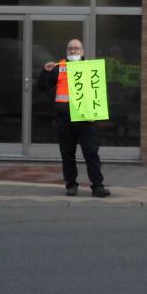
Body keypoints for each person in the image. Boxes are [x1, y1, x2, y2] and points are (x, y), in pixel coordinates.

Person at [38, 39, 110, 198]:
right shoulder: (58, 68)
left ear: (82, 51)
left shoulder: (90, 69)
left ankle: (97, 186)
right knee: (67, 153)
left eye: (76, 48)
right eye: (70, 48)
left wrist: (95, 113)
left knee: (91, 153)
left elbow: (98, 94)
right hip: (64, 119)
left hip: (86, 119)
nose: (72, 51)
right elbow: (43, 88)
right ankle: (71, 185)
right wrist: (45, 71)